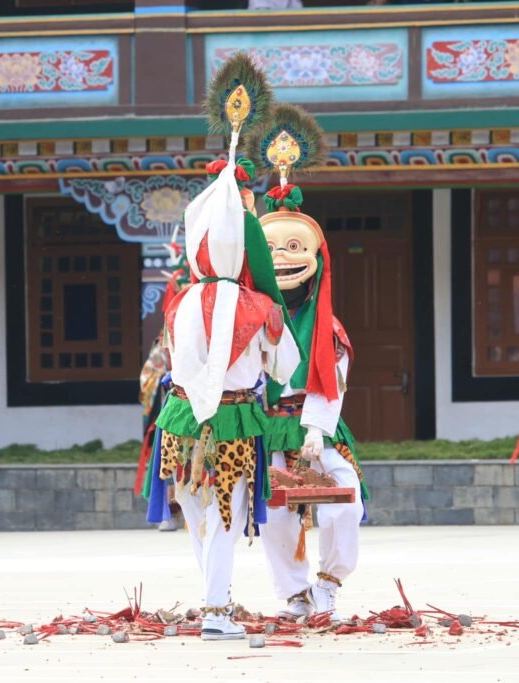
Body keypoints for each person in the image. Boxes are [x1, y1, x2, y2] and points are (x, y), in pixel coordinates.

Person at [144, 53, 301, 641]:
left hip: (181, 418)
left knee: (198, 515)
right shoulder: (258, 307)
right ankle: (216, 609)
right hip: (232, 420)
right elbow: (282, 367)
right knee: (227, 519)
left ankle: (216, 597)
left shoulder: (179, 300)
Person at [249, 104, 368, 624]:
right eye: (272, 249)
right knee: (275, 513)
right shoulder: (253, 321)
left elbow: (332, 381)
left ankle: (328, 583)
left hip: (318, 424)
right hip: (269, 425)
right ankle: (294, 593)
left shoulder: (329, 327)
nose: (283, 257)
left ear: (317, 259)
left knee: (346, 500)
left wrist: (317, 428)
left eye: (296, 247)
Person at [135, 236, 191, 532]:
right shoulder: (164, 340)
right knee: (169, 453)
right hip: (174, 398)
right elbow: (148, 379)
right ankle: (167, 511)